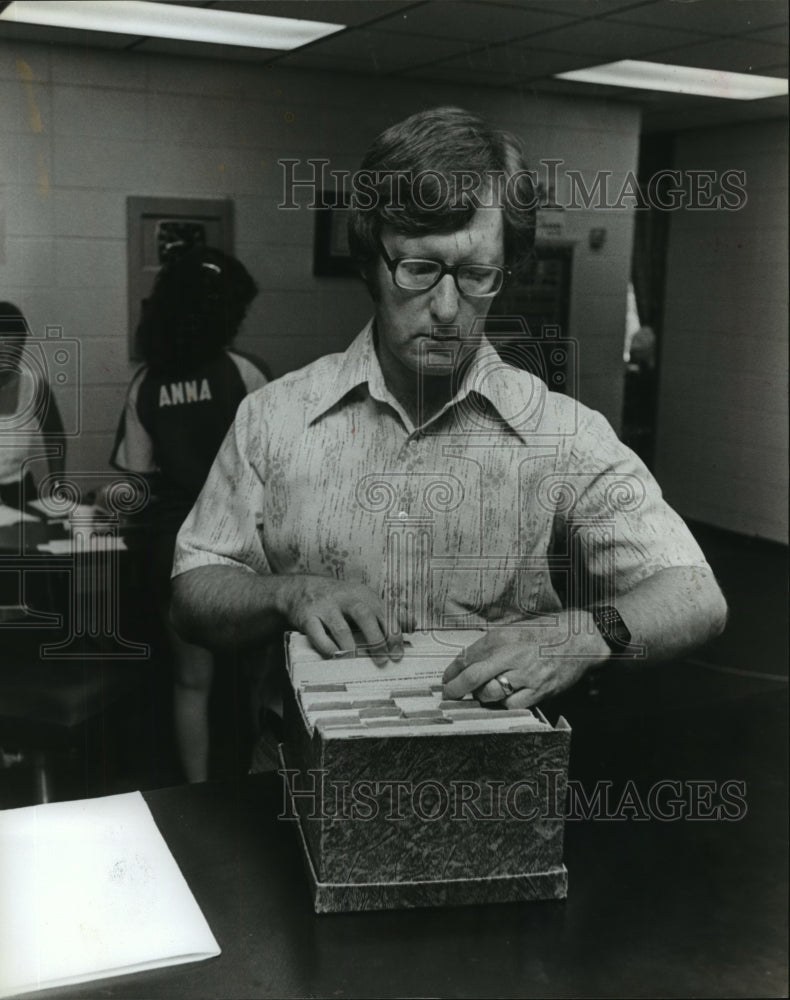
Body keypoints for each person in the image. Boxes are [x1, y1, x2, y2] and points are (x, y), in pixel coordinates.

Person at [170, 107, 726, 721]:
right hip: (301, 787)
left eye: (476, 274)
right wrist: (288, 593)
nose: (445, 307)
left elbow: (697, 595)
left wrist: (579, 636)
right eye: (419, 267)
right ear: (369, 265)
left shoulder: (561, 434)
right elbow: (193, 594)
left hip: (493, 790)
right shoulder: (273, 418)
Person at [109, 246, 270, 782]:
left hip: (174, 547)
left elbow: (136, 480)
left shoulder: (144, 385)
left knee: (189, 682)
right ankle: (260, 783)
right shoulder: (243, 373)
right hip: (244, 545)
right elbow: (277, 468)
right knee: (256, 678)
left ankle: (197, 793)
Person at [0, 302, 65, 510]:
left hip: (20, 493)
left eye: (15, 355)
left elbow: (55, 434)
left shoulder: (35, 386)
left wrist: (57, 487)